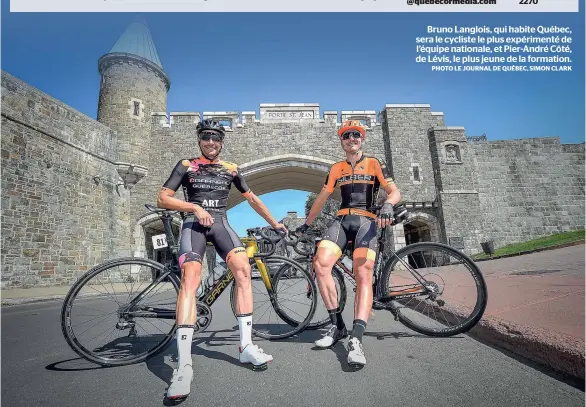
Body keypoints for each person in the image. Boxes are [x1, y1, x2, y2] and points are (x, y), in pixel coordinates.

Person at [157, 119, 288, 400]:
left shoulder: (231, 169)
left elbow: (252, 199)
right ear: (200, 140)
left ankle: (246, 347)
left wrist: (275, 223)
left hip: (221, 224)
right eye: (206, 138)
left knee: (242, 270)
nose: (211, 143)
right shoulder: (186, 165)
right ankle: (184, 365)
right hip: (194, 223)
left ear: (222, 142)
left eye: (216, 138)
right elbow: (163, 197)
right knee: (191, 278)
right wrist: (193, 205)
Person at [295, 120, 401, 367]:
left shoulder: (375, 163)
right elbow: (322, 197)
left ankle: (356, 339)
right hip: (342, 220)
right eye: (346, 136)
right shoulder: (336, 168)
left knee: (362, 273)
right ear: (341, 141)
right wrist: (307, 224)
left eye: (356, 135)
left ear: (362, 139)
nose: (351, 139)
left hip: (367, 221)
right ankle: (337, 326)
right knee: (321, 265)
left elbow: (395, 191)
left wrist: (387, 204)